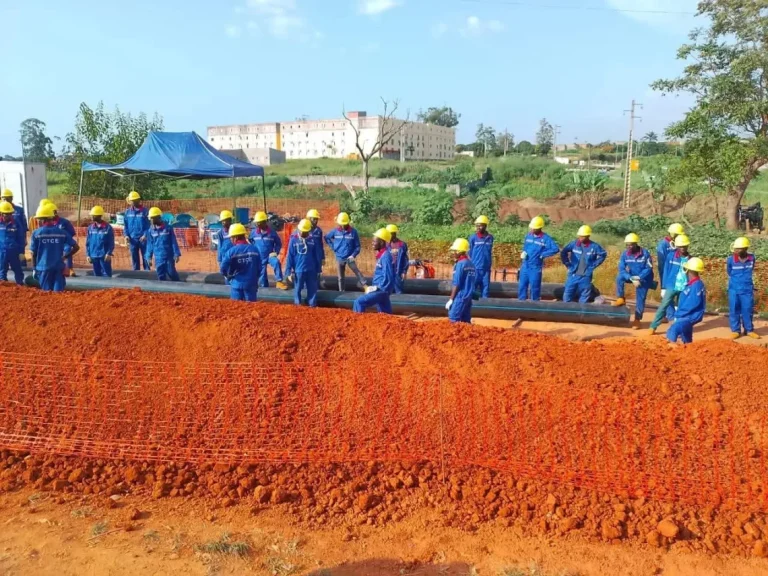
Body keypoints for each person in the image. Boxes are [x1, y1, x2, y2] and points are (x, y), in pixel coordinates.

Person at [29, 203, 79, 292]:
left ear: (42, 220)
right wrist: (65, 257)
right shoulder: (61, 232)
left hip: (43, 268)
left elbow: (33, 253)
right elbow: (76, 247)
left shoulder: (36, 233)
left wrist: (34, 268)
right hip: (58, 267)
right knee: (58, 295)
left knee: (47, 295)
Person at [649, 234, 691, 335]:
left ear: (687, 246)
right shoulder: (671, 256)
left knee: (682, 309)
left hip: (684, 288)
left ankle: (679, 330)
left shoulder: (691, 260)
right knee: (663, 306)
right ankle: (653, 326)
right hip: (671, 286)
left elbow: (692, 275)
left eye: (684, 246)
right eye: (680, 246)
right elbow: (666, 271)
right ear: (676, 246)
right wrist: (664, 286)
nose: (682, 248)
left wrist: (690, 287)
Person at [613, 233, 654, 329]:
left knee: (640, 298)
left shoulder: (645, 253)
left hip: (644, 278)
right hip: (632, 276)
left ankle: (637, 320)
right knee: (619, 277)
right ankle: (621, 298)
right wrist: (630, 278)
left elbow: (648, 268)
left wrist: (638, 278)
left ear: (636, 244)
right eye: (627, 245)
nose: (629, 247)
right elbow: (622, 269)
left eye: (631, 244)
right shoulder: (625, 254)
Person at [352, 228, 395, 314]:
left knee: (359, 302)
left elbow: (388, 276)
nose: (372, 243)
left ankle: (357, 324)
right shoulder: (382, 255)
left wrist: (377, 289)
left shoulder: (386, 256)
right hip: (383, 291)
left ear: (382, 242)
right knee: (385, 315)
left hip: (381, 290)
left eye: (374, 241)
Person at [560, 225, 607, 303]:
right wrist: (567, 263)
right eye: (580, 236)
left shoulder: (594, 246)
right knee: (568, 293)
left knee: (584, 295)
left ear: (588, 236)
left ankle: (581, 312)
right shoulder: (574, 244)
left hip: (586, 275)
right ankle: (567, 312)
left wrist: (593, 265)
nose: (580, 238)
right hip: (573, 274)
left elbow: (603, 254)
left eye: (583, 236)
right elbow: (564, 252)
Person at [667, 257, 707, 344]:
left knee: (673, 330)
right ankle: (688, 348)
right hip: (687, 316)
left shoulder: (696, 286)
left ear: (688, 270)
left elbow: (692, 303)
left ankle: (670, 351)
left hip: (689, 316)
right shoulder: (693, 284)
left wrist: (678, 314)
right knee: (686, 336)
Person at [518, 216, 559, 301]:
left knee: (535, 287)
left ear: (540, 228)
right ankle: (521, 305)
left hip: (535, 267)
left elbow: (555, 249)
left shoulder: (545, 238)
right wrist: (524, 252)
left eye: (534, 228)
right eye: (532, 227)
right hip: (525, 265)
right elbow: (525, 247)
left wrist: (543, 254)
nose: (532, 229)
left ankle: (534, 306)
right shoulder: (528, 236)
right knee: (522, 286)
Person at [727, 237, 760, 339]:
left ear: (745, 248)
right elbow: (729, 272)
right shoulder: (730, 260)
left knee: (747, 310)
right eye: (736, 249)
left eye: (739, 249)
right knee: (734, 309)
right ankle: (736, 330)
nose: (736, 251)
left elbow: (752, 268)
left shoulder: (752, 258)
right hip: (734, 290)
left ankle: (749, 330)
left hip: (747, 290)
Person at [219, 223, 262, 302]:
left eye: (231, 238)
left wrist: (228, 277)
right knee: (251, 310)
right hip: (251, 286)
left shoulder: (231, 252)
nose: (231, 240)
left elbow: (222, 269)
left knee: (236, 310)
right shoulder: (255, 250)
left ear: (235, 237)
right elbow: (260, 268)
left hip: (236, 286)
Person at [285, 219, 322, 307]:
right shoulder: (293, 240)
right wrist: (288, 271)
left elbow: (317, 255)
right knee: (297, 288)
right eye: (302, 231)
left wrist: (318, 269)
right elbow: (290, 256)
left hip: (311, 269)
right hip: (299, 269)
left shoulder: (313, 240)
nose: (303, 233)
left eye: (305, 232)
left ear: (309, 231)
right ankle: (298, 305)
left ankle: (312, 305)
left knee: (312, 289)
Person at [325, 212, 365, 291]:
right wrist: (333, 247)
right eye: (341, 224)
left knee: (357, 271)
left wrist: (353, 255)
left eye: (344, 224)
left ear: (348, 222)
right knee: (340, 277)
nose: (343, 226)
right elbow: (326, 237)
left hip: (349, 257)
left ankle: (366, 286)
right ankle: (341, 291)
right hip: (339, 257)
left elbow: (358, 246)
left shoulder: (353, 232)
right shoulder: (335, 231)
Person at [250, 211, 285, 288]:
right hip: (259, 257)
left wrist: (275, 252)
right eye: (257, 223)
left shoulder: (272, 232)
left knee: (276, 262)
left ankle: (279, 281)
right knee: (262, 276)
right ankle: (264, 289)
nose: (258, 224)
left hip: (270, 256)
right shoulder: (253, 233)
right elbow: (250, 241)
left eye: (260, 222)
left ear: (265, 222)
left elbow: (278, 243)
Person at [445, 238, 477, 324]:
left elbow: (457, 283)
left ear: (459, 251)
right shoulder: (471, 263)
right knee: (465, 320)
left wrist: (451, 299)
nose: (453, 253)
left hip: (461, 296)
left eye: (454, 251)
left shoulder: (460, 264)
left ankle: (455, 337)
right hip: (468, 297)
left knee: (453, 318)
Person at [145, 207, 181, 281]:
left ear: (158, 217)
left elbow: (173, 242)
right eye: (150, 218)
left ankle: (179, 289)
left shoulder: (168, 228)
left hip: (168, 256)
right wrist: (148, 257)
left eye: (152, 218)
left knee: (172, 273)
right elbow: (149, 245)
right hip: (158, 258)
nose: (151, 220)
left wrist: (176, 254)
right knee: (160, 275)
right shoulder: (150, 231)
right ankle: (162, 291)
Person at [657, 223, 684, 321]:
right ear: (672, 234)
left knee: (678, 293)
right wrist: (664, 279)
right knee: (667, 294)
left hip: (677, 272)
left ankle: (671, 314)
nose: (679, 236)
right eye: (677, 234)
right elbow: (662, 263)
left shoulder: (678, 242)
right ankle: (669, 316)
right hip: (666, 272)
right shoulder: (663, 245)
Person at [46, 201, 77, 276]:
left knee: (68, 249)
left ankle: (70, 268)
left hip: (64, 243)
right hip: (52, 242)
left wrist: (65, 239)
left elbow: (72, 232)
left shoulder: (64, 222)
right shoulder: (48, 223)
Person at [123, 190, 151, 271]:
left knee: (146, 258)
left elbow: (149, 225)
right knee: (135, 260)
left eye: (135, 200)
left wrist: (145, 235)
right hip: (132, 240)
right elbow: (126, 226)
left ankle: (147, 275)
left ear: (139, 200)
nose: (134, 202)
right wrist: (126, 235)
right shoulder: (127, 212)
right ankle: (136, 276)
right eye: (132, 201)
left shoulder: (145, 211)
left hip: (143, 239)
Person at [0, 201, 25, 285]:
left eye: (10, 213)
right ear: (1, 213)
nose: (9, 215)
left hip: (14, 251)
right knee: (2, 271)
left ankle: (20, 286)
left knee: (18, 270)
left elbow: (21, 237)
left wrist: (21, 252)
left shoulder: (16, 223)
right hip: (1, 252)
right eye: (6, 214)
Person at [85, 206, 115, 278]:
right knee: (97, 275)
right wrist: (88, 255)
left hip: (104, 256)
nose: (91, 216)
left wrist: (109, 253)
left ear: (98, 216)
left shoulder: (107, 227)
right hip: (94, 255)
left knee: (107, 275)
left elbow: (111, 242)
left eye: (93, 215)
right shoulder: (90, 228)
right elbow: (88, 243)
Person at [469, 215, 494, 298]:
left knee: (485, 289)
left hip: (486, 269)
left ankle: (485, 308)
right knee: (473, 289)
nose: (478, 227)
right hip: (475, 268)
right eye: (477, 225)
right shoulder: (473, 238)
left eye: (480, 225)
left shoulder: (490, 238)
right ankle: (474, 308)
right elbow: (470, 253)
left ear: (485, 226)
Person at [1, 189, 28, 253]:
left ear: (11, 198)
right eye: (4, 199)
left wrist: (24, 238)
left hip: (17, 236)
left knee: (19, 258)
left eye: (8, 198)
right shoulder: (1, 210)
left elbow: (24, 225)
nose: (6, 201)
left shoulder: (19, 210)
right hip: (4, 240)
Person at [387, 224, 409, 294]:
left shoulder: (402, 245)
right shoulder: (386, 245)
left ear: (394, 234)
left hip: (397, 272)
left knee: (398, 291)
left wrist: (404, 272)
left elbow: (405, 260)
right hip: (388, 272)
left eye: (390, 234)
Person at [306, 209, 325, 280]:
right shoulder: (304, 230)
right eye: (314, 219)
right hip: (308, 256)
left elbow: (321, 244)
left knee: (317, 276)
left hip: (317, 257)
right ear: (309, 218)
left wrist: (323, 257)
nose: (316, 221)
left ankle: (315, 290)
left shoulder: (319, 231)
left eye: (317, 219)